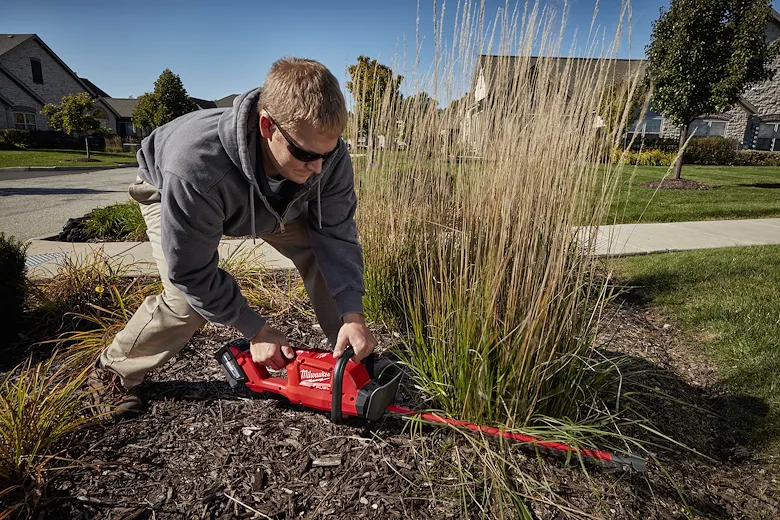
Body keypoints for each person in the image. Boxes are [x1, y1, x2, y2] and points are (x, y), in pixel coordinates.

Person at [89, 57, 377, 420]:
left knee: (321, 254)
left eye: (328, 153)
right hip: (171, 189)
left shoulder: (322, 155)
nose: (319, 167)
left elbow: (336, 236)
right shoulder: (196, 165)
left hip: (273, 200)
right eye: (305, 154)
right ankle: (113, 372)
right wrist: (254, 329)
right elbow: (191, 272)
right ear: (267, 125)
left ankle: (351, 359)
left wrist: (353, 315)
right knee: (186, 300)